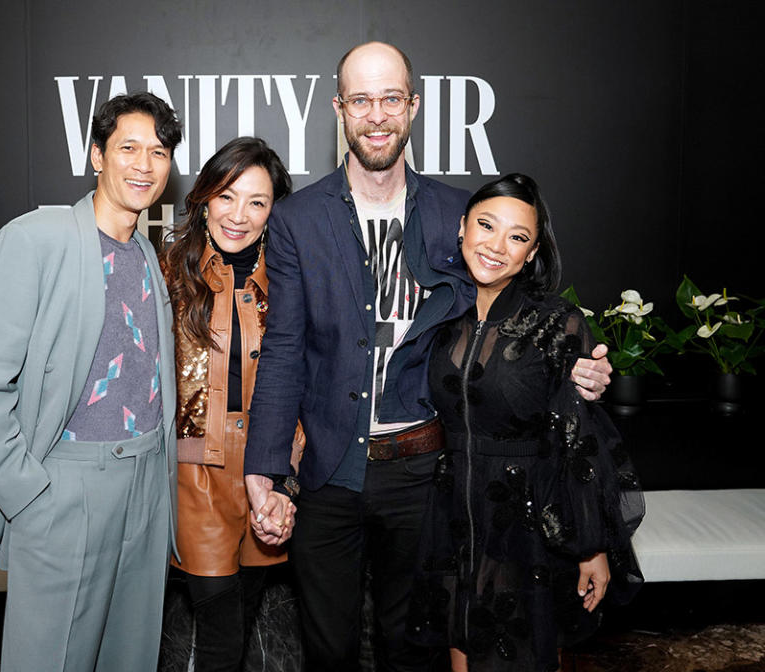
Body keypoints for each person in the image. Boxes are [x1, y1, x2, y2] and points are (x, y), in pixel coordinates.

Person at [242, 42, 614, 671]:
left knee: (411, 648)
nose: (377, 114)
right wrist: (265, 464)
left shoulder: (457, 215)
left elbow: (516, 311)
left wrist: (572, 366)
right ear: (339, 109)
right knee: (326, 649)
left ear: (413, 107)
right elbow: (282, 349)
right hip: (329, 472)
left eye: (391, 98)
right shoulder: (296, 220)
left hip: (426, 474)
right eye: (361, 100)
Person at [0, 92, 182, 671]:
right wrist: (28, 495)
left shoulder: (146, 253)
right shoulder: (35, 239)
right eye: (128, 148)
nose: (143, 164)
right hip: (65, 486)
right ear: (95, 156)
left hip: (144, 491)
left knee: (129, 658)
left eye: (158, 152)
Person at [408, 173, 644, 672]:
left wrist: (591, 547)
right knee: (461, 649)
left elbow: (578, 440)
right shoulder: (441, 310)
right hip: (452, 513)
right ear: (461, 229)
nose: (496, 246)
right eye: (486, 226)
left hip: (528, 521)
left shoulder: (559, 322)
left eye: (516, 237)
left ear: (532, 253)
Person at [161, 136, 301, 671]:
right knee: (220, 628)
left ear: (274, 211)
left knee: (242, 618)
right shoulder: (169, 273)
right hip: (196, 477)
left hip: (268, 471)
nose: (238, 215)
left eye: (257, 202)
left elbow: (305, 382)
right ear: (203, 199)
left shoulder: (291, 278)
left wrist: (286, 478)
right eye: (226, 195)